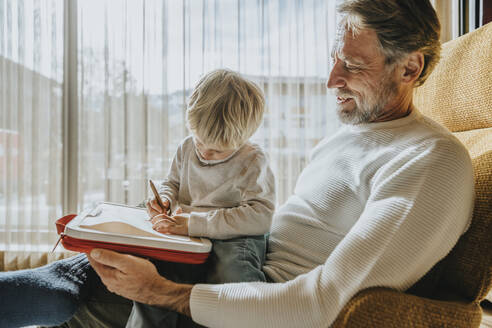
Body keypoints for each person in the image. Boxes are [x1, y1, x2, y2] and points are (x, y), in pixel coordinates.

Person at [0, 1, 475, 327]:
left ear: (410, 68)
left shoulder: (430, 162)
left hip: (245, 305)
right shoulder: (348, 138)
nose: (331, 79)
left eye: (351, 65)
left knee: (76, 289)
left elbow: (324, 301)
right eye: (334, 58)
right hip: (221, 278)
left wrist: (166, 293)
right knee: (78, 272)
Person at [127, 68, 275, 327]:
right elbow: (172, 183)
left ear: (244, 137)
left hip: (235, 235)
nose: (205, 152)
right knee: (156, 280)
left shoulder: (253, 160)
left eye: (217, 151)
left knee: (235, 277)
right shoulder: (186, 147)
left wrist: (195, 222)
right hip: (186, 231)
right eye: (199, 141)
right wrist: (165, 199)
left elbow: (260, 217)